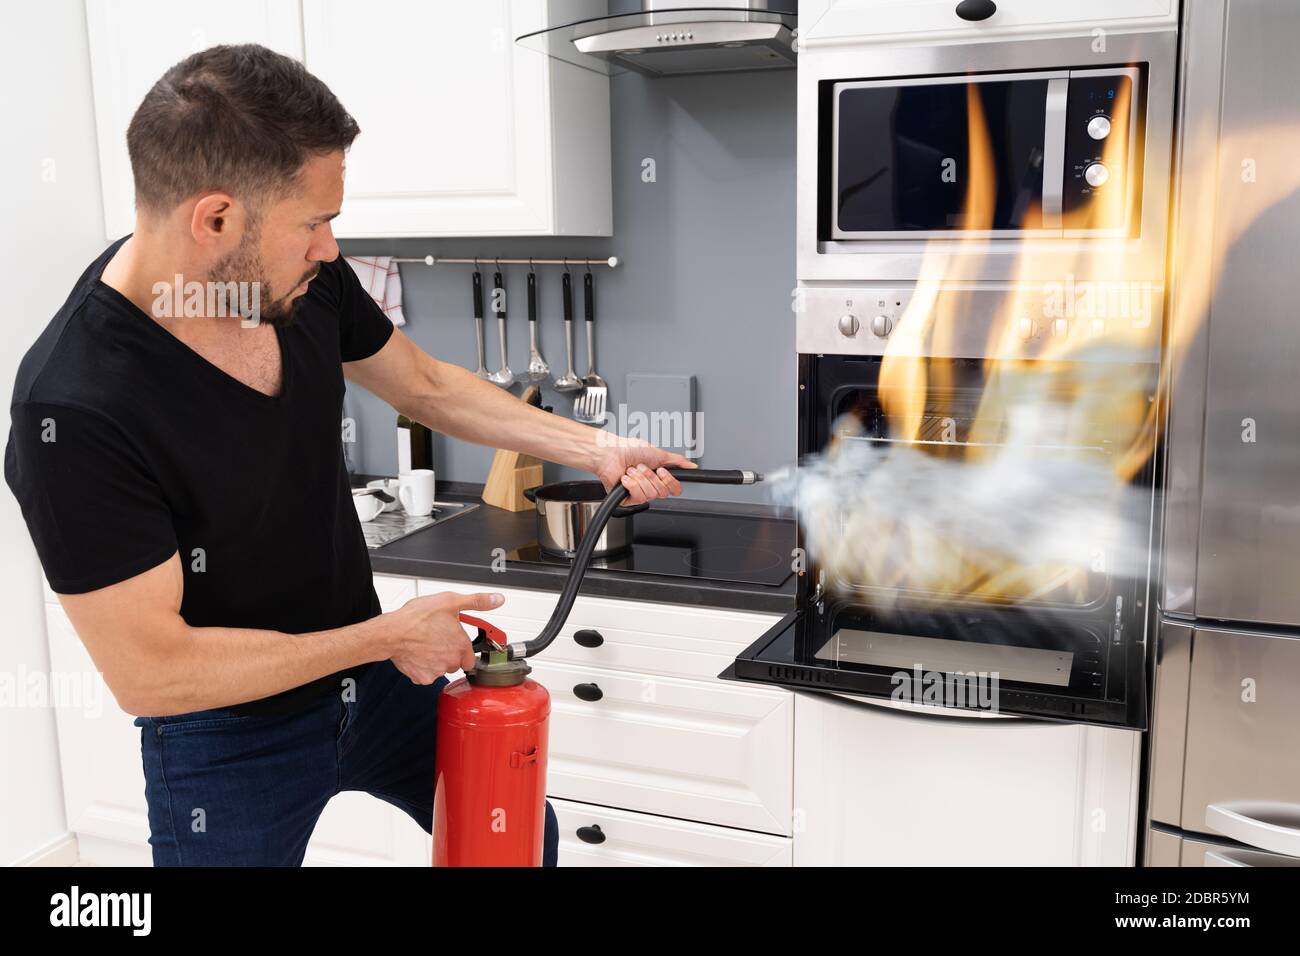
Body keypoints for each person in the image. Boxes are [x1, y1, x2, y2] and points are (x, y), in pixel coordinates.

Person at [4, 44, 693, 866]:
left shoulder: (293, 280)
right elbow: (153, 672)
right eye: (313, 222)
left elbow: (424, 385)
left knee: (514, 833)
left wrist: (596, 445)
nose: (332, 248)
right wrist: (384, 638)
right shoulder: (76, 406)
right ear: (216, 219)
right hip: (227, 734)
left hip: (370, 682)